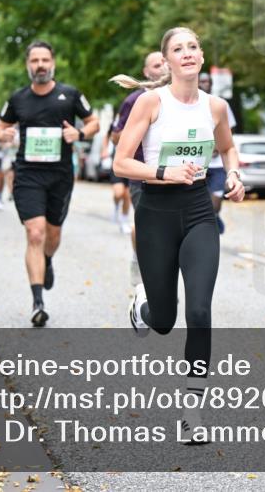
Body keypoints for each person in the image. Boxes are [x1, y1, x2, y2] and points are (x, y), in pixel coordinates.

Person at [112, 27, 245, 443]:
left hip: (198, 211)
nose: (186, 54)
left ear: (201, 57)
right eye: (177, 49)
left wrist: (235, 176)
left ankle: (192, 412)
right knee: (166, 321)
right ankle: (143, 306)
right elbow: (119, 163)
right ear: (167, 61)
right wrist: (161, 172)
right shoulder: (151, 102)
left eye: (192, 47)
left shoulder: (216, 106)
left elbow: (227, 150)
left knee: (200, 312)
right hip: (156, 212)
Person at [0, 40, 99, 327]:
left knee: (52, 236)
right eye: (34, 61)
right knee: (35, 233)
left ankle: (47, 260)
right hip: (27, 175)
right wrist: (2, 135)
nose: (39, 65)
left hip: (60, 176)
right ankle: (37, 301)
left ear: (52, 63)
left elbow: (93, 123)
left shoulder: (70, 94)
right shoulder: (18, 99)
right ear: (28, 65)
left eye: (44, 60)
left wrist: (79, 134)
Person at [107, 51, 167, 285]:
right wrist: (141, 125)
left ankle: (161, 276)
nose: (161, 67)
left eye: (164, 62)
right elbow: (115, 137)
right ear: (146, 72)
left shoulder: (179, 98)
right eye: (156, 64)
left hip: (174, 174)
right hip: (141, 174)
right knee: (145, 227)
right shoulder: (134, 101)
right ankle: (139, 259)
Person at [198, 71, 237, 234]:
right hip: (197, 163)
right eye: (202, 81)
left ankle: (213, 217)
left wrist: (217, 146)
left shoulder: (220, 104)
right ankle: (206, 226)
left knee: (215, 201)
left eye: (207, 81)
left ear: (211, 84)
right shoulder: (190, 103)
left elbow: (230, 128)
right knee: (200, 200)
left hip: (217, 164)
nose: (204, 83)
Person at [101, 116, 133, 234]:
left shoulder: (138, 117)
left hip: (133, 162)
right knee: (118, 192)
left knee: (127, 195)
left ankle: (124, 221)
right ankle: (116, 206)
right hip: (118, 161)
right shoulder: (117, 121)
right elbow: (107, 136)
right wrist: (104, 150)